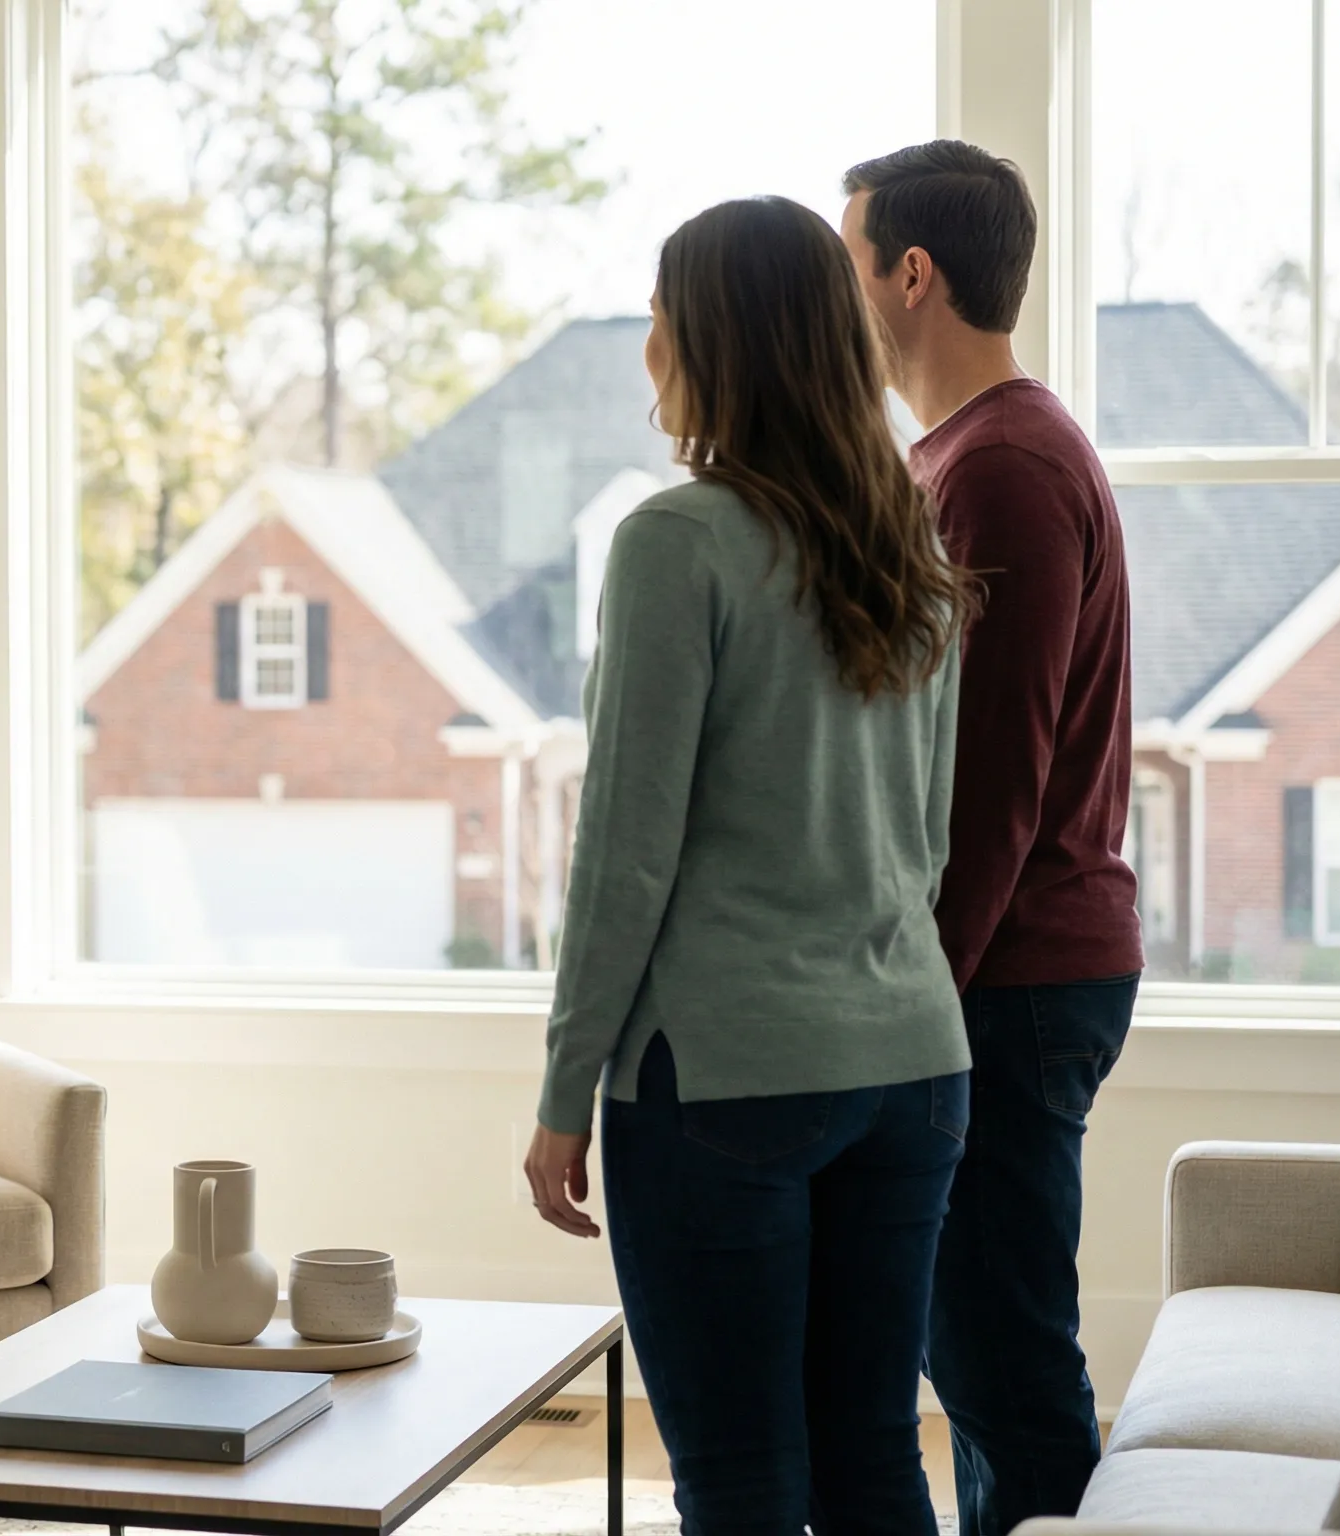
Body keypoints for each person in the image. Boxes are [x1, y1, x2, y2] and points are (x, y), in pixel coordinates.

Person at [521, 197, 976, 1534]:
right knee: (874, 1466)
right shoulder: (915, 543)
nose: (647, 349)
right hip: (913, 1067)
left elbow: (624, 850)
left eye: (660, 319)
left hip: (723, 1084)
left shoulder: (677, 542)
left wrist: (562, 1093)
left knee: (739, 1486)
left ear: (718, 342)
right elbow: (929, 840)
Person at [840, 140, 1141, 1536]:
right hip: (1007, 975)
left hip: (1008, 980)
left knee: (1004, 1365)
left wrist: (907, 1010)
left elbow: (990, 783)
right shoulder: (963, 453)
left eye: (850, 260)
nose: (841, 293)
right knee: (975, 1356)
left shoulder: (1004, 463)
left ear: (913, 273)